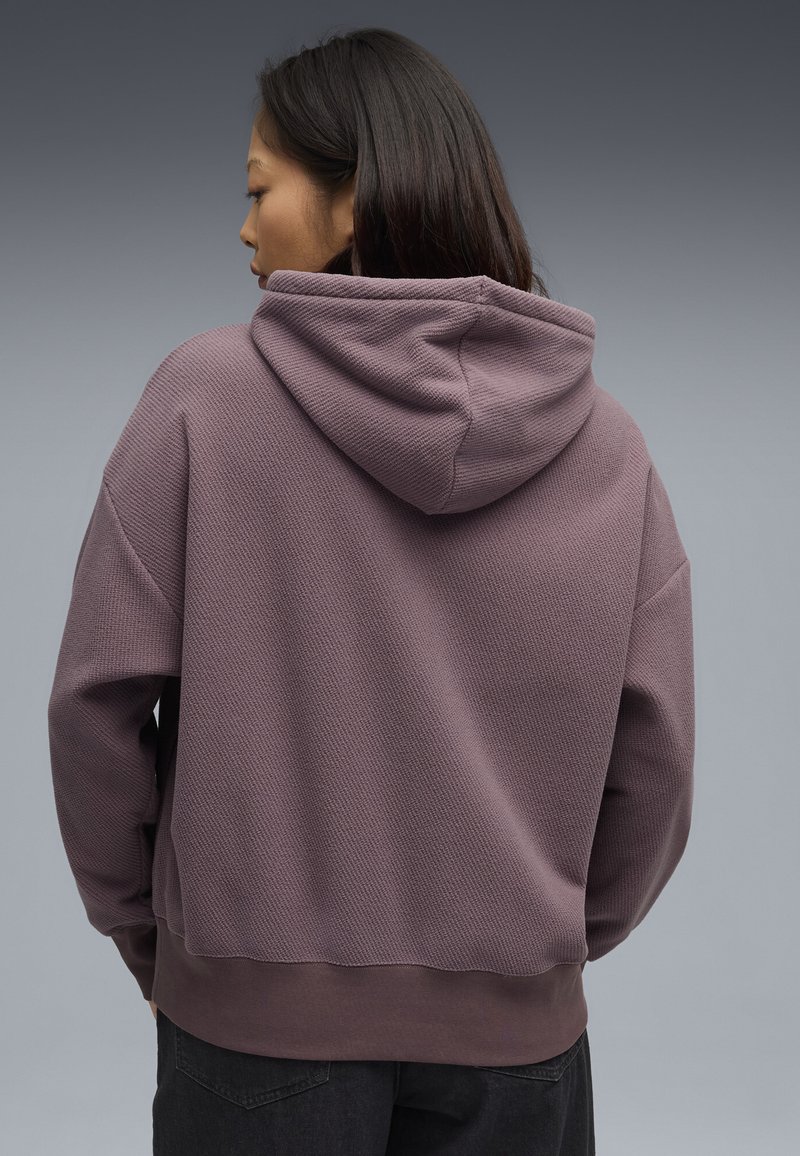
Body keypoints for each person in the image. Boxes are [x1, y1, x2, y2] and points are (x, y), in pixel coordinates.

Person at [46, 26, 694, 1156]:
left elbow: (92, 706)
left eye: (260, 188)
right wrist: (532, 959)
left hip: (253, 1033)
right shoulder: (610, 448)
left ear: (353, 200)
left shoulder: (203, 399)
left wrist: (157, 940)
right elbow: (657, 763)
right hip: (518, 1056)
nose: (244, 226)